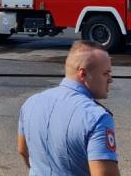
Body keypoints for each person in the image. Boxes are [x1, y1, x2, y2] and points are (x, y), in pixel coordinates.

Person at [17, 40, 120, 176]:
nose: (110, 79)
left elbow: (23, 150)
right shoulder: (96, 118)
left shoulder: (31, 103)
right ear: (83, 74)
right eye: (105, 73)